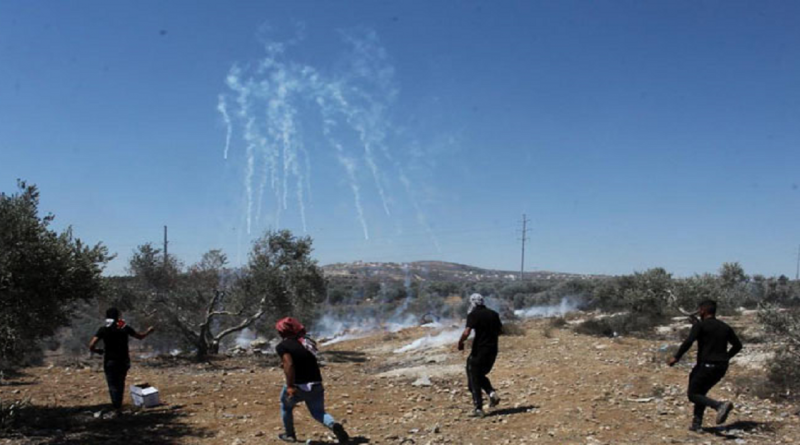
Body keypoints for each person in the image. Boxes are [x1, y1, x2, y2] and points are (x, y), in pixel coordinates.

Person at [667, 299, 742, 432]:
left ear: (702, 310)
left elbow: (688, 342)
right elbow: (738, 346)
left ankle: (719, 405)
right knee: (701, 393)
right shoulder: (724, 326)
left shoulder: (700, 326)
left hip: (706, 365)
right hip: (721, 367)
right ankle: (696, 424)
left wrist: (676, 357)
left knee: (693, 394)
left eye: (699, 309)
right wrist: (726, 357)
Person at [275, 317, 349, 444]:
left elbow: (289, 364)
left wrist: (290, 386)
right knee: (318, 412)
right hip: (316, 383)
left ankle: (290, 435)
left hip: (298, 385)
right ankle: (333, 424)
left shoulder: (283, 346)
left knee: (286, 408)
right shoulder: (307, 343)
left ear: (282, 332)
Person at [88, 308, 154, 416]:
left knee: (112, 385)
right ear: (118, 317)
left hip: (110, 361)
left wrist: (97, 351)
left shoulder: (103, 329)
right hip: (123, 360)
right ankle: (118, 407)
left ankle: (116, 407)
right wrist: (149, 331)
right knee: (120, 383)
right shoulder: (124, 328)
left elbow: (91, 345)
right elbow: (140, 337)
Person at [457, 293, 503, 418]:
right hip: (493, 350)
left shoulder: (473, 315)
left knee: (473, 376)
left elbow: (467, 332)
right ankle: (491, 393)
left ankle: (478, 408)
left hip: (479, 350)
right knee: (479, 374)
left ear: (472, 303)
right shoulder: (494, 314)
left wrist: (461, 342)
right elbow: (500, 331)